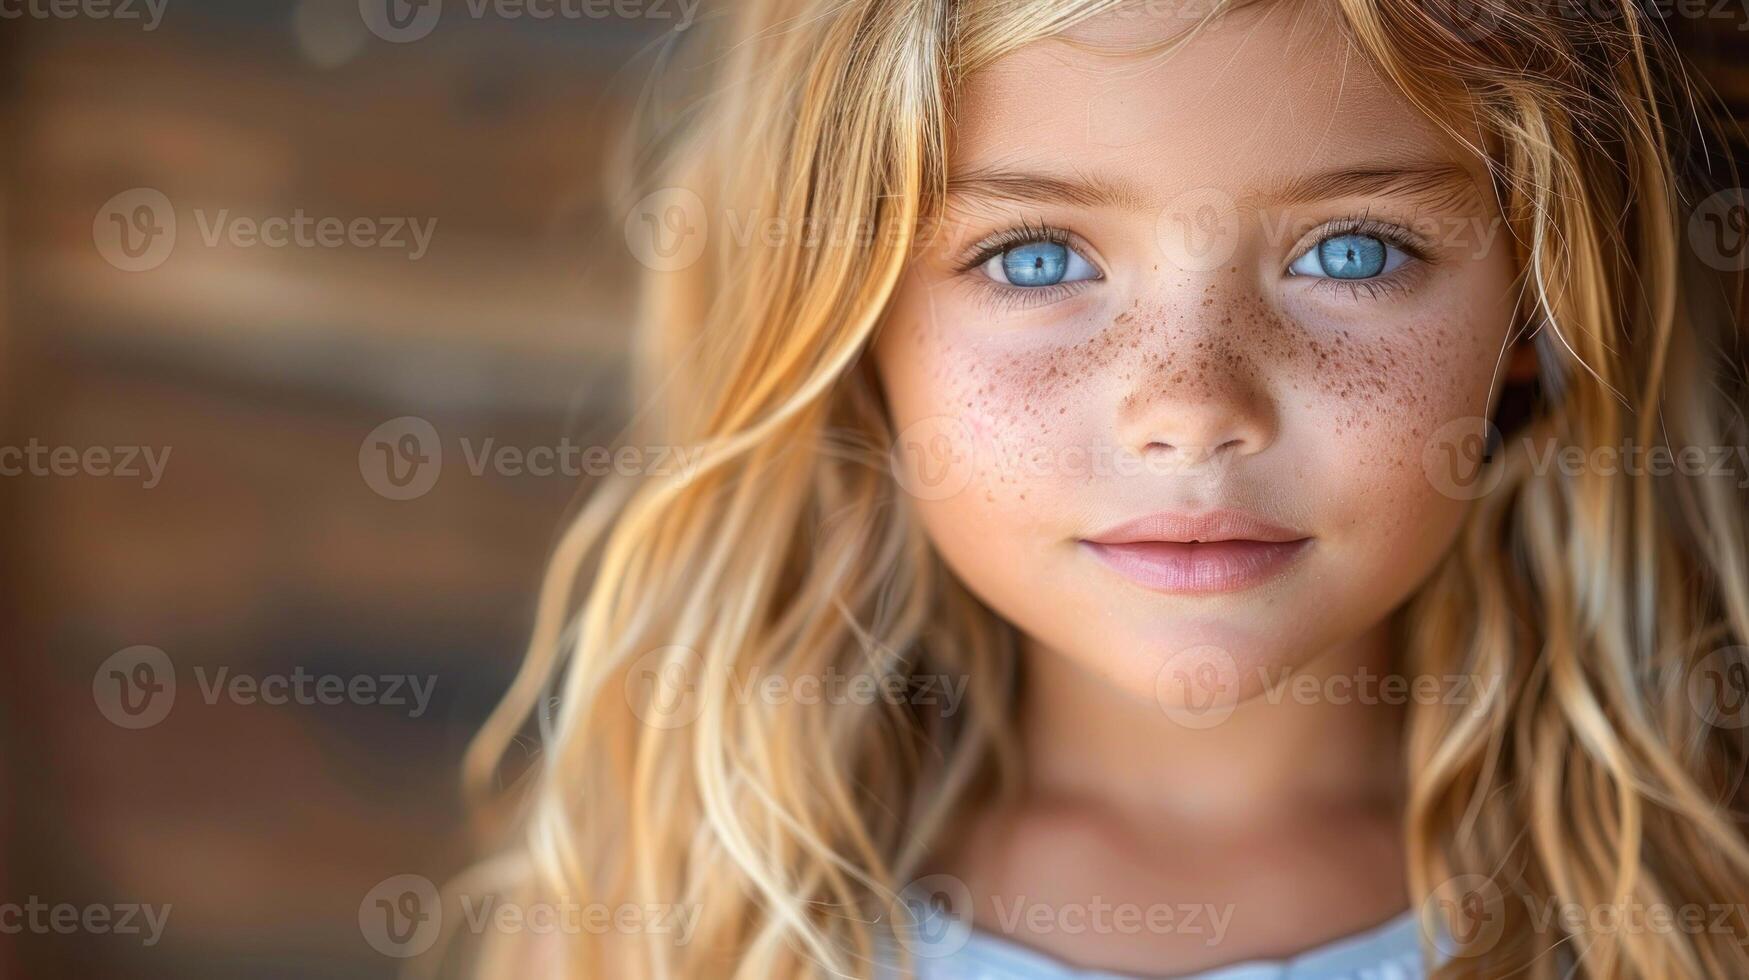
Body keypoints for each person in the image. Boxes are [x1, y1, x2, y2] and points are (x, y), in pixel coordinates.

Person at [453, 1, 1749, 976]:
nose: (1190, 410)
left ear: (1527, 308)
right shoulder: (698, 921)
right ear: (850, 330)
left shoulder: (1679, 915)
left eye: (1349, 251)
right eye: (1031, 257)